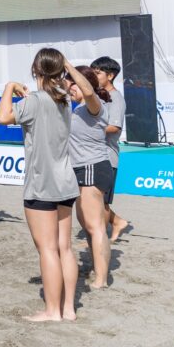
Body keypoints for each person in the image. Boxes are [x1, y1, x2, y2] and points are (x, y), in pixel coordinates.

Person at [0, 48, 83, 322]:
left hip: (42, 182)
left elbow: (1, 117)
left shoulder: (35, 100)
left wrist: (9, 87)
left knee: (47, 249)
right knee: (65, 248)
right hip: (65, 180)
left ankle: (52, 310)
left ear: (36, 71)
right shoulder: (66, 100)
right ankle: (68, 308)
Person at [65, 66, 112, 288]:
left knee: (95, 226)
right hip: (79, 168)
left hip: (92, 166)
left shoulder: (95, 106)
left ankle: (101, 279)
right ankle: (96, 269)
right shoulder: (76, 110)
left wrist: (66, 64)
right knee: (87, 226)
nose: (70, 88)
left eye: (72, 84)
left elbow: (89, 92)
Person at [90, 56, 130, 241]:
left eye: (97, 73)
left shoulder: (116, 99)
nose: (93, 75)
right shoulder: (97, 96)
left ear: (111, 76)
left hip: (107, 157)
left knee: (100, 202)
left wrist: (86, 130)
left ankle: (101, 239)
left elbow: (115, 127)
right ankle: (116, 222)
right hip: (92, 155)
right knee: (95, 201)